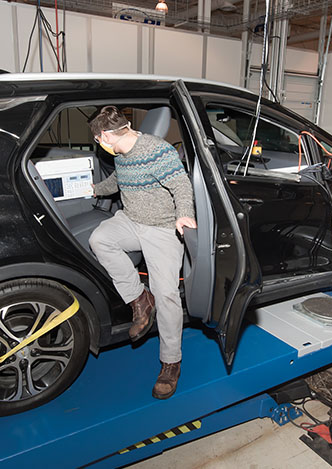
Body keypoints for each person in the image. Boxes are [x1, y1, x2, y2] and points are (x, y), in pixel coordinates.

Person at [87, 106, 197, 400]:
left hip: (162, 228)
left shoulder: (157, 151)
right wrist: (96, 189)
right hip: (131, 220)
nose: (100, 144)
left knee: (167, 295)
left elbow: (181, 184)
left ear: (107, 136)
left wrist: (184, 214)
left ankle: (170, 362)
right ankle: (139, 297)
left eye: (99, 139)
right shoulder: (120, 153)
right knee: (100, 239)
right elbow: (118, 180)